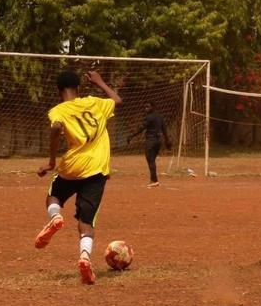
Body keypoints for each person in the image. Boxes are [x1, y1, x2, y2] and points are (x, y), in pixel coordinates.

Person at [34, 69, 122, 285]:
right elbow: (117, 100)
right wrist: (100, 81)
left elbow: (55, 128)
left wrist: (52, 161)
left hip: (72, 166)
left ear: (58, 91)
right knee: (86, 221)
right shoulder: (95, 103)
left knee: (53, 196)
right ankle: (84, 257)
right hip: (96, 170)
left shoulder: (58, 110)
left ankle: (55, 217)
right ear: (79, 88)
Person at [127, 102, 171, 186]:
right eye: (145, 107)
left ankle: (154, 181)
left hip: (151, 140)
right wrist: (167, 141)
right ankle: (153, 180)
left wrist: (131, 136)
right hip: (158, 141)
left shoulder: (149, 117)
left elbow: (141, 128)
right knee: (152, 160)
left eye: (148, 107)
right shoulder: (160, 116)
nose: (146, 108)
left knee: (150, 160)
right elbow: (164, 130)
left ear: (153, 107)